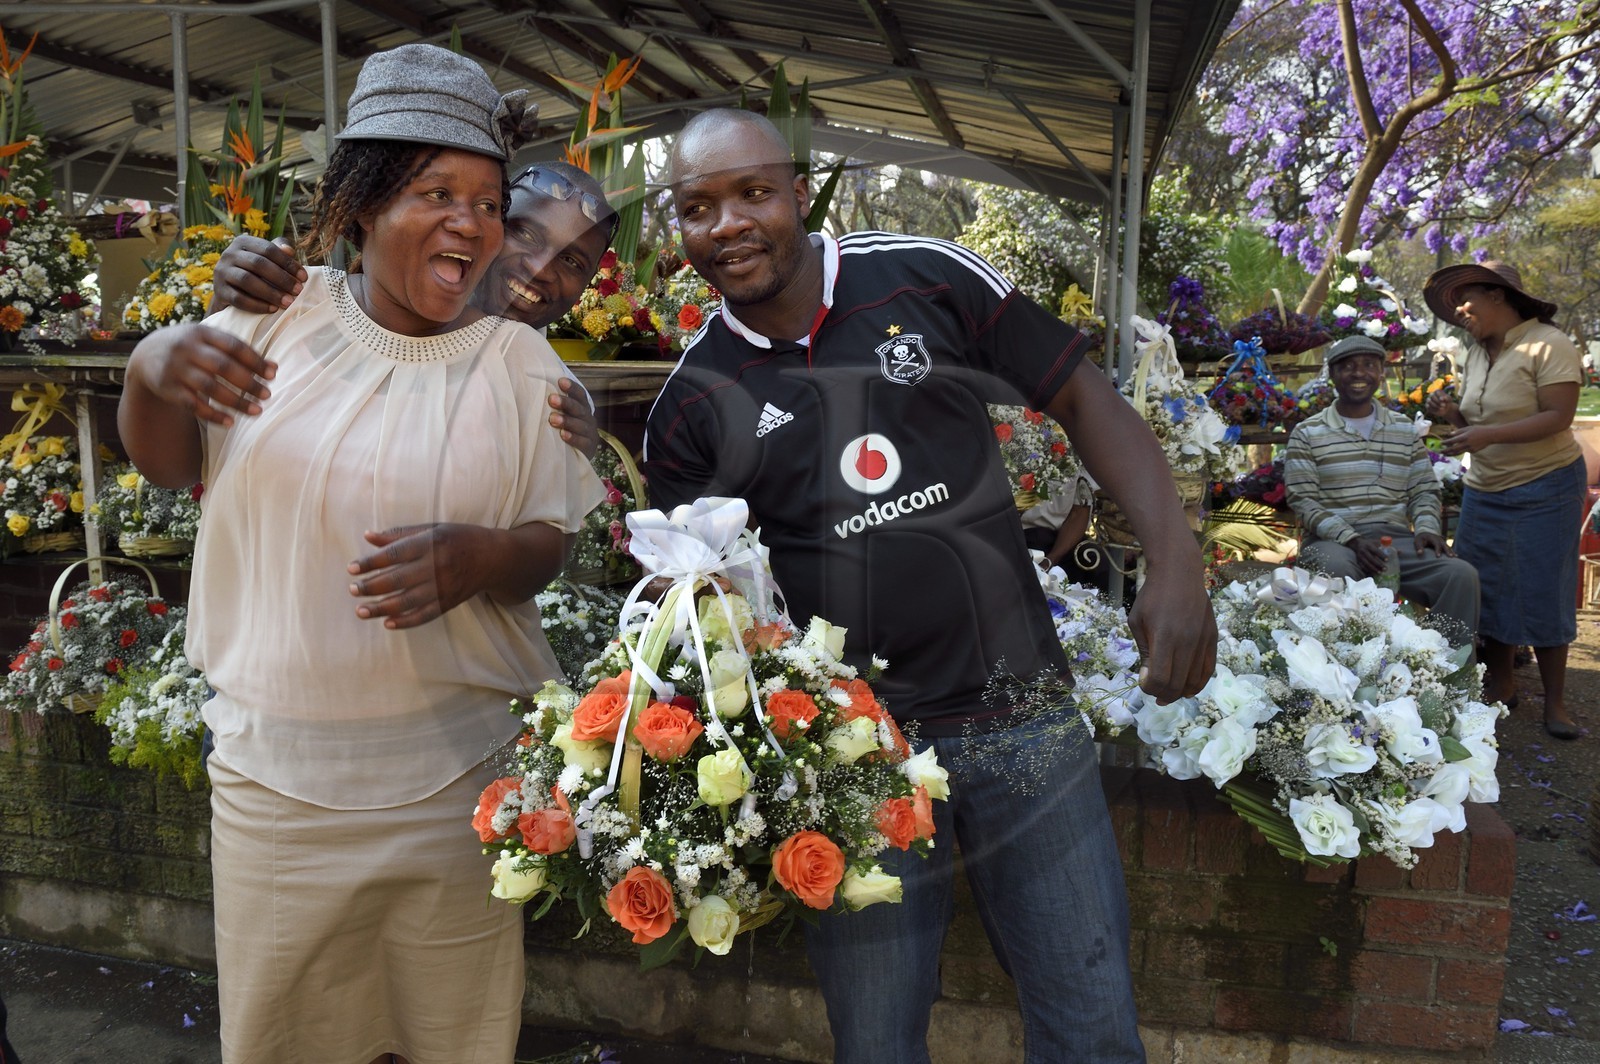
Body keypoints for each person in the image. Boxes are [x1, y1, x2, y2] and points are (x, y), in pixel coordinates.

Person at [643, 108, 1216, 1063]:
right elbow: (703, 610)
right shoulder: (692, 406)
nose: (729, 223)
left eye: (752, 192)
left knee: (1091, 1024)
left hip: (1017, 711)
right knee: (876, 1041)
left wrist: (1177, 557)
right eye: (698, 207)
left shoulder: (924, 274)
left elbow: (1079, 394)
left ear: (799, 191)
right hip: (853, 758)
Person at [117, 43, 602, 1064]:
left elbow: (549, 540)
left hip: (456, 785)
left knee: (450, 1036)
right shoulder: (272, 316)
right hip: (277, 786)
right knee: (290, 1035)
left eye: (485, 200)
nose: (468, 223)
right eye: (436, 191)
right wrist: (151, 365)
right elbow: (164, 465)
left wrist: (484, 557)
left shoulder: (519, 363)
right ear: (365, 204)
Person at [209, 159, 619, 457]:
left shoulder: (551, 392)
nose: (539, 267)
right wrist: (225, 310)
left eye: (571, 261)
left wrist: (573, 457)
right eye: (525, 233)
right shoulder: (322, 319)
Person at [1423, 261, 1584, 740]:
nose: (1460, 311)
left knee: (1544, 588)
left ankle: (1555, 703)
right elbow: (1478, 427)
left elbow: (1558, 416)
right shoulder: (1475, 354)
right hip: (1486, 490)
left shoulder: (1549, 344)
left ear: (1499, 296)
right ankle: (1503, 684)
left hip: (1547, 485)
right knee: (1485, 586)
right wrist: (1453, 416)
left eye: (1466, 299)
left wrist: (1484, 434)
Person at [1284, 334, 1479, 638]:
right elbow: (1304, 501)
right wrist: (1351, 539)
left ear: (1381, 373)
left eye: (1368, 365)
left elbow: (1424, 488)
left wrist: (1427, 527)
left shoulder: (1402, 429)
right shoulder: (1308, 433)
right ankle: (1349, 675)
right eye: (1347, 366)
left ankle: (1445, 674)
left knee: (1460, 575)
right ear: (1333, 375)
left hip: (1396, 542)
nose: (1359, 373)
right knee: (1338, 571)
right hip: (1333, 543)